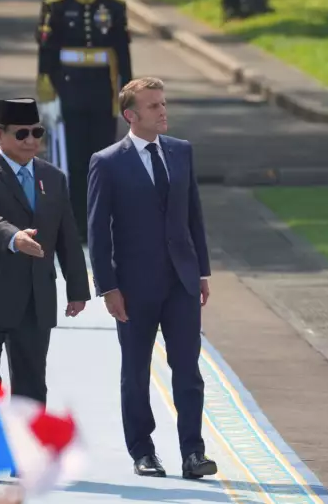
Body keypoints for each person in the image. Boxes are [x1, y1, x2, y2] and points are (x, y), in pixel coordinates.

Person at [0, 98, 91, 477]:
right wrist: (14, 237)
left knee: (30, 382)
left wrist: (77, 288)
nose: (30, 140)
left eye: (36, 133)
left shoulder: (53, 177)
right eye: (21, 133)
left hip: (34, 297)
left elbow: (67, 236)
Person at [87, 77, 217, 480]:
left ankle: (193, 453)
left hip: (181, 281)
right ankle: (143, 452)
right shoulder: (107, 161)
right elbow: (96, 230)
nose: (163, 111)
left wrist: (202, 272)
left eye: (163, 103)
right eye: (154, 106)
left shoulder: (181, 151)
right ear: (131, 115)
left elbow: (192, 213)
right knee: (136, 371)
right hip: (133, 287)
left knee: (188, 370)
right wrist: (108, 287)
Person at [36, 0, 133, 240]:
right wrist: (48, 95)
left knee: (102, 160)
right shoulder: (55, 6)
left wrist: (129, 94)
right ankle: (75, 223)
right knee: (74, 162)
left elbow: (123, 53)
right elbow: (47, 53)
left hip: (103, 93)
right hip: (69, 92)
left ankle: (99, 223)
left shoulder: (113, 6)